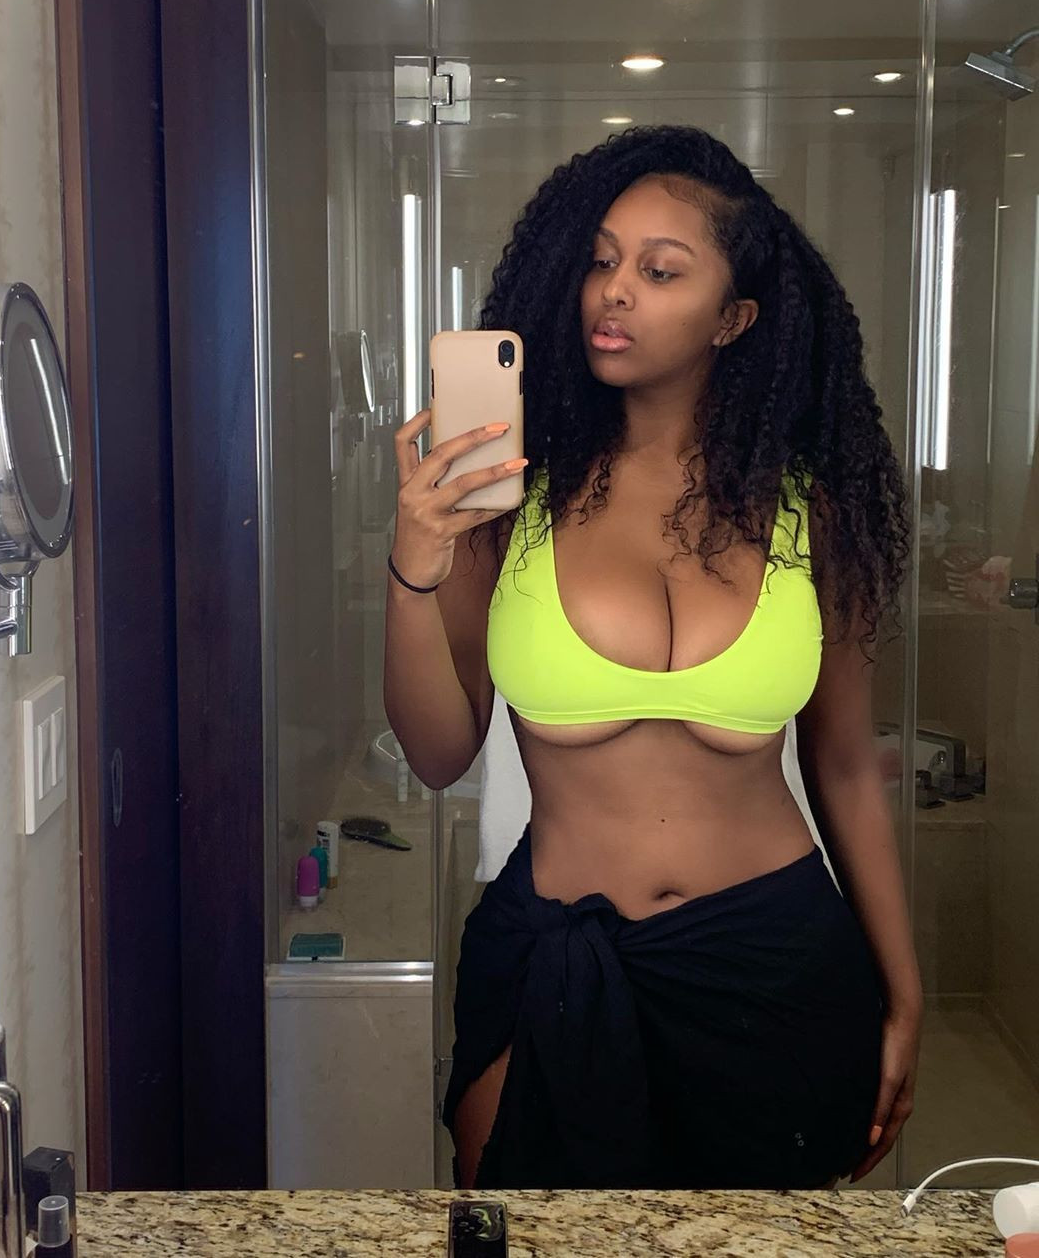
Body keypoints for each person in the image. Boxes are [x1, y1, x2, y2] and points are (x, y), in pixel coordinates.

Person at [384, 124, 923, 1190]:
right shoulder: (510, 499)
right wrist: (411, 569)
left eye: (659, 270)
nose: (614, 290)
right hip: (558, 958)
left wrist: (904, 991)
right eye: (600, 260)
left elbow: (846, 766)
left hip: (777, 962)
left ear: (733, 318)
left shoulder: (809, 511)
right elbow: (439, 754)